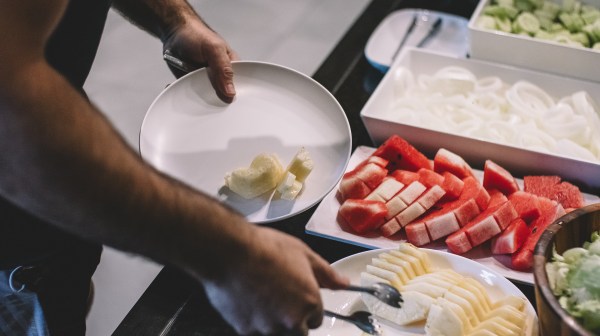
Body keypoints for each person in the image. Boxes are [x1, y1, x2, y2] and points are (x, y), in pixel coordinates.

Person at [0, 0, 349, 335]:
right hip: (17, 226)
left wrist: (174, 19)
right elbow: (11, 124)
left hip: (53, 217)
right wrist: (231, 254)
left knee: (67, 294)